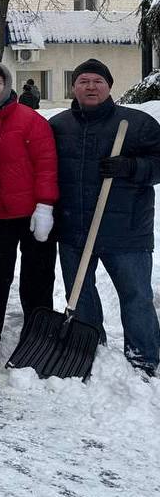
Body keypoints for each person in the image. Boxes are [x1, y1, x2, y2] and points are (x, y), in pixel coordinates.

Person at [50, 59, 160, 376]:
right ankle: (89, 349)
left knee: (136, 297)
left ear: (109, 86)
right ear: (73, 87)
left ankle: (143, 357)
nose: (90, 86)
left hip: (126, 232)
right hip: (74, 228)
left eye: (98, 81)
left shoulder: (137, 124)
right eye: (83, 81)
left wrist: (131, 167)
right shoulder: (59, 126)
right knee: (80, 295)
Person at [0, 60, 59, 349]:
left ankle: (38, 335)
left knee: (37, 277)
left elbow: (46, 165)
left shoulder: (30, 120)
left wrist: (45, 206)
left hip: (33, 215)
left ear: (7, 84)